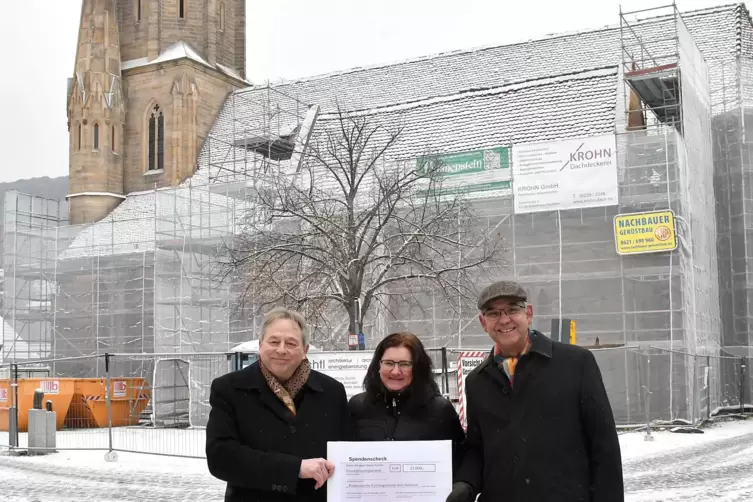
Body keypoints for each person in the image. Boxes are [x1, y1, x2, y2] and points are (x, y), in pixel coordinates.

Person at [447, 280, 624, 502]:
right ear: (484, 323)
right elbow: (477, 449)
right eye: (493, 313)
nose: (504, 319)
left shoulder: (576, 363)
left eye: (513, 309)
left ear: (528, 314)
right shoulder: (477, 381)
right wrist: (466, 483)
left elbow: (603, 446)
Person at [206, 307, 351, 501]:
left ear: (305, 350)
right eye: (274, 341)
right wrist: (295, 468)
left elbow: (345, 454)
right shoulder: (229, 389)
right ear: (260, 345)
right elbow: (221, 458)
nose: (281, 349)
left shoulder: (332, 392)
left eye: (291, 343)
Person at [349, 332, 465, 473]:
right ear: (378, 366)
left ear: (417, 368)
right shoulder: (358, 407)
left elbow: (459, 463)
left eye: (405, 364)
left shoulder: (440, 410)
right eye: (389, 363)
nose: (396, 371)